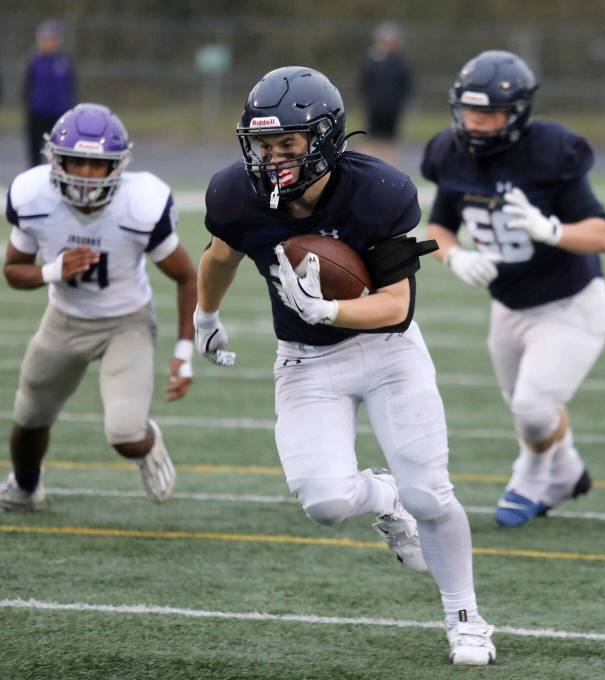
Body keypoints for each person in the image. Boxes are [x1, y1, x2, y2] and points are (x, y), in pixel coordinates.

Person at [196, 66, 494, 666]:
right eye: (263, 145)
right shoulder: (235, 194)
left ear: (325, 138)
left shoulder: (379, 191)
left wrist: (327, 307)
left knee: (432, 496)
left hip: (388, 351)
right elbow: (221, 253)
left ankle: (466, 616)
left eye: (288, 144)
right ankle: (382, 497)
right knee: (327, 502)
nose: (272, 158)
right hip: (305, 363)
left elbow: (396, 304)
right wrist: (204, 316)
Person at [421, 50, 605, 529]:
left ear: (516, 113)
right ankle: (568, 471)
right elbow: (439, 227)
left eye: (488, 113)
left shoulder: (551, 150)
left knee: (532, 409)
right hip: (507, 307)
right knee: (528, 408)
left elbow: (604, 235)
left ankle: (530, 477)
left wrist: (552, 230)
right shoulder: (450, 151)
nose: (476, 123)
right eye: (470, 111)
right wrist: (454, 255)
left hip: (569, 304)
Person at [2, 103, 196, 510]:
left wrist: (184, 351)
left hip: (127, 321)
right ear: (56, 160)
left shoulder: (141, 203)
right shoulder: (33, 195)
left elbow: (186, 276)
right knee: (28, 417)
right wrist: (54, 270)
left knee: (125, 435)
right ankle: (25, 486)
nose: (85, 176)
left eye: (97, 165)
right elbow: (14, 271)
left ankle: (147, 441)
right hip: (64, 318)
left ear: (118, 167)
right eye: (76, 162)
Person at [358, 22, 412, 167]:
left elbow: (406, 85)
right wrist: (370, 101)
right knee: (371, 139)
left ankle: (389, 170)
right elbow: (364, 84)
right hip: (375, 107)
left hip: (392, 109)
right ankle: (364, 168)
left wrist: (399, 103)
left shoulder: (400, 62)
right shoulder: (372, 61)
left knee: (389, 142)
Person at [24, 20, 75, 168]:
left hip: (59, 115)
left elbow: (71, 86)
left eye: (53, 39)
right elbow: (27, 86)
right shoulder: (34, 61)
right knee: (35, 151)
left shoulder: (64, 61)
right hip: (38, 113)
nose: (49, 43)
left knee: (59, 152)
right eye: (46, 40)